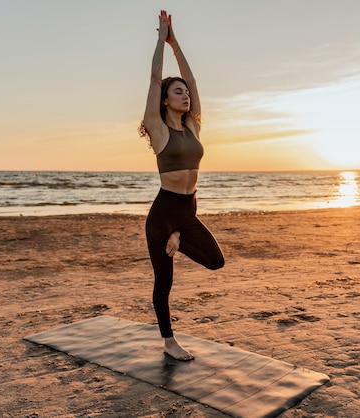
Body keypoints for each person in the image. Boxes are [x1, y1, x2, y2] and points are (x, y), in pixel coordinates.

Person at [140, 10, 225, 361]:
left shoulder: (193, 127)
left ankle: (179, 238)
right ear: (165, 99)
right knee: (164, 282)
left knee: (216, 261)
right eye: (178, 92)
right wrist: (160, 40)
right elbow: (154, 78)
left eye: (186, 93)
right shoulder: (159, 130)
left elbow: (192, 77)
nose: (186, 95)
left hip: (187, 213)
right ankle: (169, 341)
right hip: (163, 214)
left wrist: (178, 43)